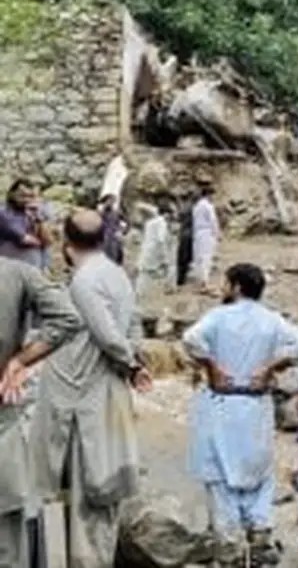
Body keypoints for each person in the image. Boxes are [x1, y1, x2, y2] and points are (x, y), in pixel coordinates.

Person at [17, 209, 151, 568]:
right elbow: (130, 328)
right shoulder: (117, 274)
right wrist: (135, 361)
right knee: (99, 495)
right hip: (104, 392)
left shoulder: (83, 281)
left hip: (84, 399)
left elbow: (107, 334)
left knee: (87, 496)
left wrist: (132, 364)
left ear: (66, 241)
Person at [182, 263, 298, 565]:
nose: (223, 289)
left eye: (226, 283)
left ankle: (229, 546)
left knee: (219, 473)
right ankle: (261, 532)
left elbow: (190, 339)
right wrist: (270, 366)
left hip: (222, 404)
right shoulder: (271, 320)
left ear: (237, 287)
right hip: (256, 404)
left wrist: (211, 365)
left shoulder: (218, 317)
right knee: (258, 472)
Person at [0, 258, 83, 568]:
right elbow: (67, 319)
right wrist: (20, 361)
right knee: (7, 537)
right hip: (2, 414)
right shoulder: (18, 273)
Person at [0, 179, 47, 267]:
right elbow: (24, 240)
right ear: (12, 194)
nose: (27, 200)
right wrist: (39, 242)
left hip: (33, 268)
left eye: (31, 196)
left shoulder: (37, 212)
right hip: (10, 268)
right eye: (23, 196)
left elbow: (47, 241)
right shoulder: (3, 214)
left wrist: (38, 218)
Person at [135, 203, 173, 304]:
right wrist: (164, 257)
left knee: (143, 277)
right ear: (166, 214)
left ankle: (137, 298)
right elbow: (161, 241)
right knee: (146, 279)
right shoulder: (161, 223)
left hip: (146, 252)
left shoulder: (150, 222)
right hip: (153, 254)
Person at [191, 185, 220, 292]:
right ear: (208, 195)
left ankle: (199, 281)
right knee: (206, 257)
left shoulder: (196, 207)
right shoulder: (208, 206)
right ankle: (205, 282)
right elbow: (213, 221)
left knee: (198, 257)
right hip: (207, 232)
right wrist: (217, 234)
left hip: (198, 233)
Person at [98, 194, 126, 266]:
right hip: (103, 236)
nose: (111, 203)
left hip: (114, 237)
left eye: (113, 201)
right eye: (109, 201)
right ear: (105, 201)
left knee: (115, 255)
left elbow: (128, 222)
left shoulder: (117, 213)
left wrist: (122, 231)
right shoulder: (99, 213)